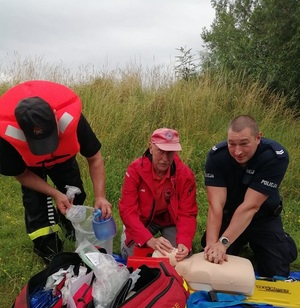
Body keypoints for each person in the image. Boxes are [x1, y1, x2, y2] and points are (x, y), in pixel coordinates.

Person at [0, 80, 112, 263]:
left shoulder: (72, 120)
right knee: (37, 207)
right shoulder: (6, 136)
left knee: (76, 196)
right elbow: (21, 174)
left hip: (63, 158)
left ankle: (70, 228)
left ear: (54, 115)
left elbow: (95, 158)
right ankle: (47, 246)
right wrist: (54, 193)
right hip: (30, 166)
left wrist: (100, 196)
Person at [202, 114, 297, 278]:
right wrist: (212, 246)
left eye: (244, 144)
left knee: (275, 271)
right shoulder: (217, 156)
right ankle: (234, 243)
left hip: (262, 218)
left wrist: (223, 243)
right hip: (228, 216)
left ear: (258, 137)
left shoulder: (274, 156)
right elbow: (215, 206)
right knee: (212, 262)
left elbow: (251, 207)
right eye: (232, 144)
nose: (237, 151)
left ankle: (282, 242)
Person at [119, 127, 198, 263]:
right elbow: (127, 210)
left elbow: (187, 213)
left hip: (170, 219)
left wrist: (184, 241)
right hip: (142, 219)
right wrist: (149, 240)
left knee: (181, 257)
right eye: (161, 151)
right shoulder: (135, 170)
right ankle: (127, 238)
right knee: (132, 256)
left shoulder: (185, 175)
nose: (165, 159)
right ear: (151, 148)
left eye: (170, 153)